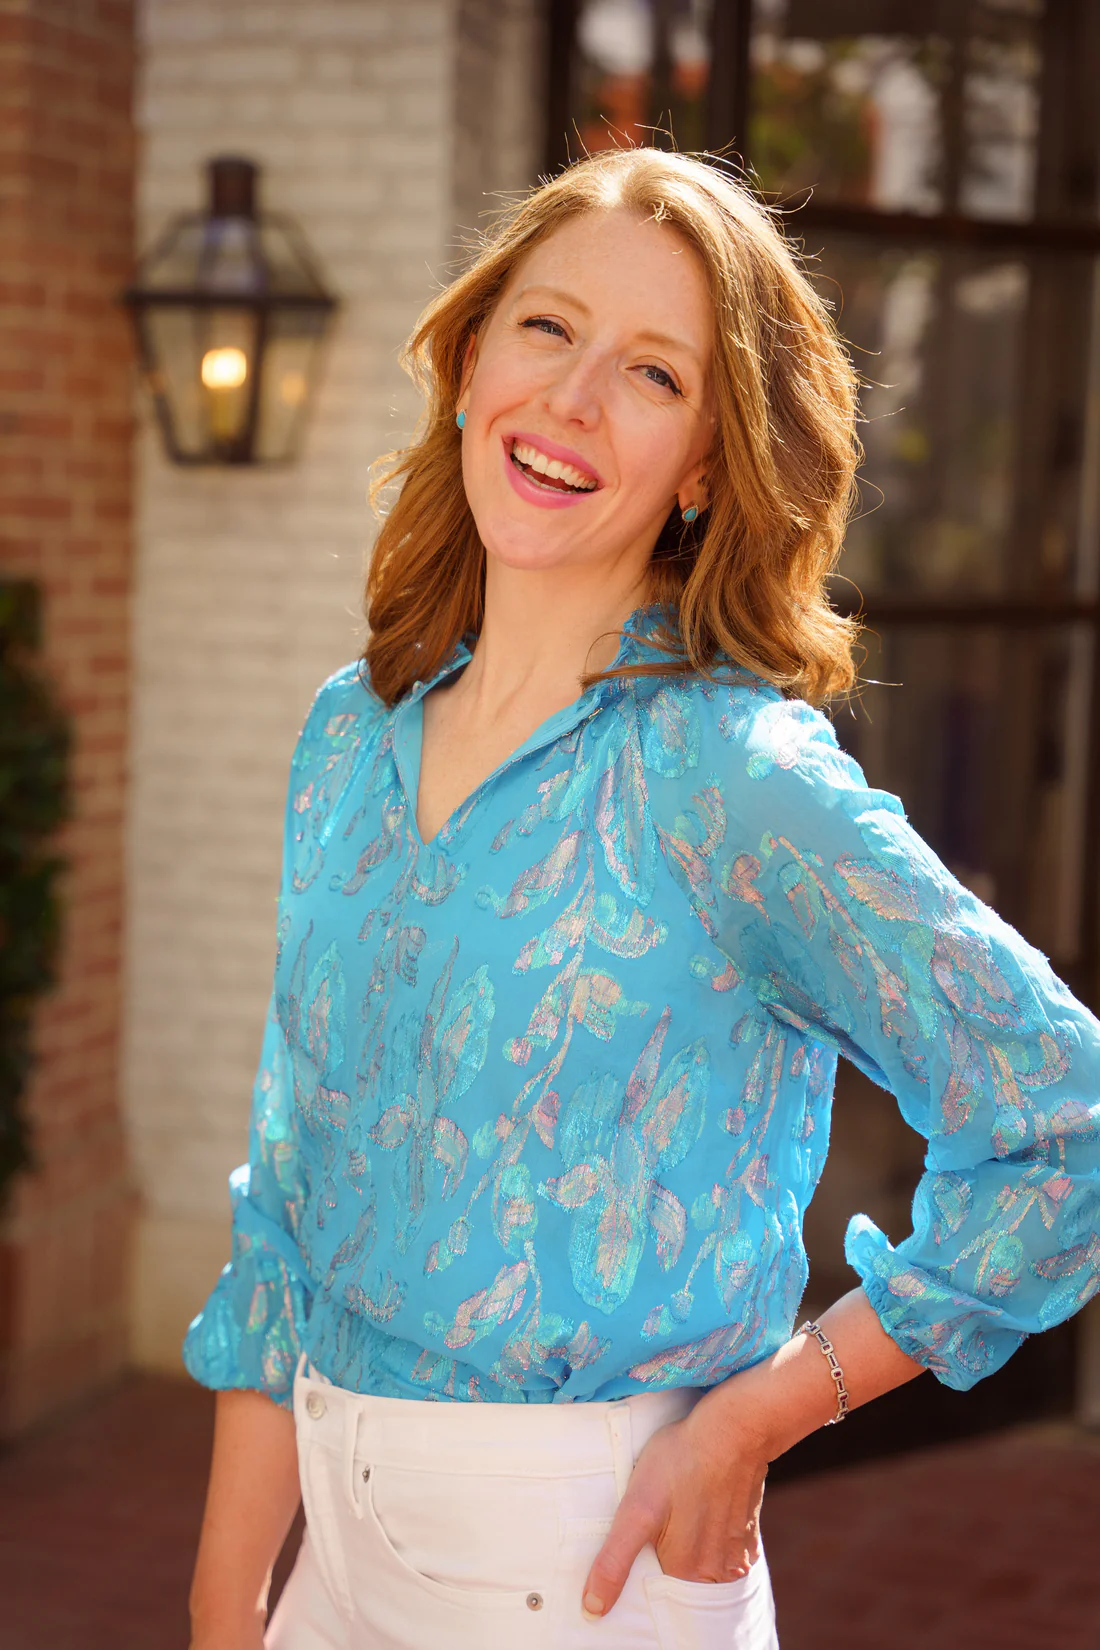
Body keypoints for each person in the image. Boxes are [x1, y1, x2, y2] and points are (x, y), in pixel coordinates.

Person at [183, 148, 1100, 1650]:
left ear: (707, 468)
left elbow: (1064, 1120)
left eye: (654, 373)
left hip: (582, 1570)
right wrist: (229, 1598)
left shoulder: (732, 775)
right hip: (326, 1560)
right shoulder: (352, 731)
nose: (573, 398)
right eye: (547, 329)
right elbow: (290, 1191)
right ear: (471, 364)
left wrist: (759, 1415)